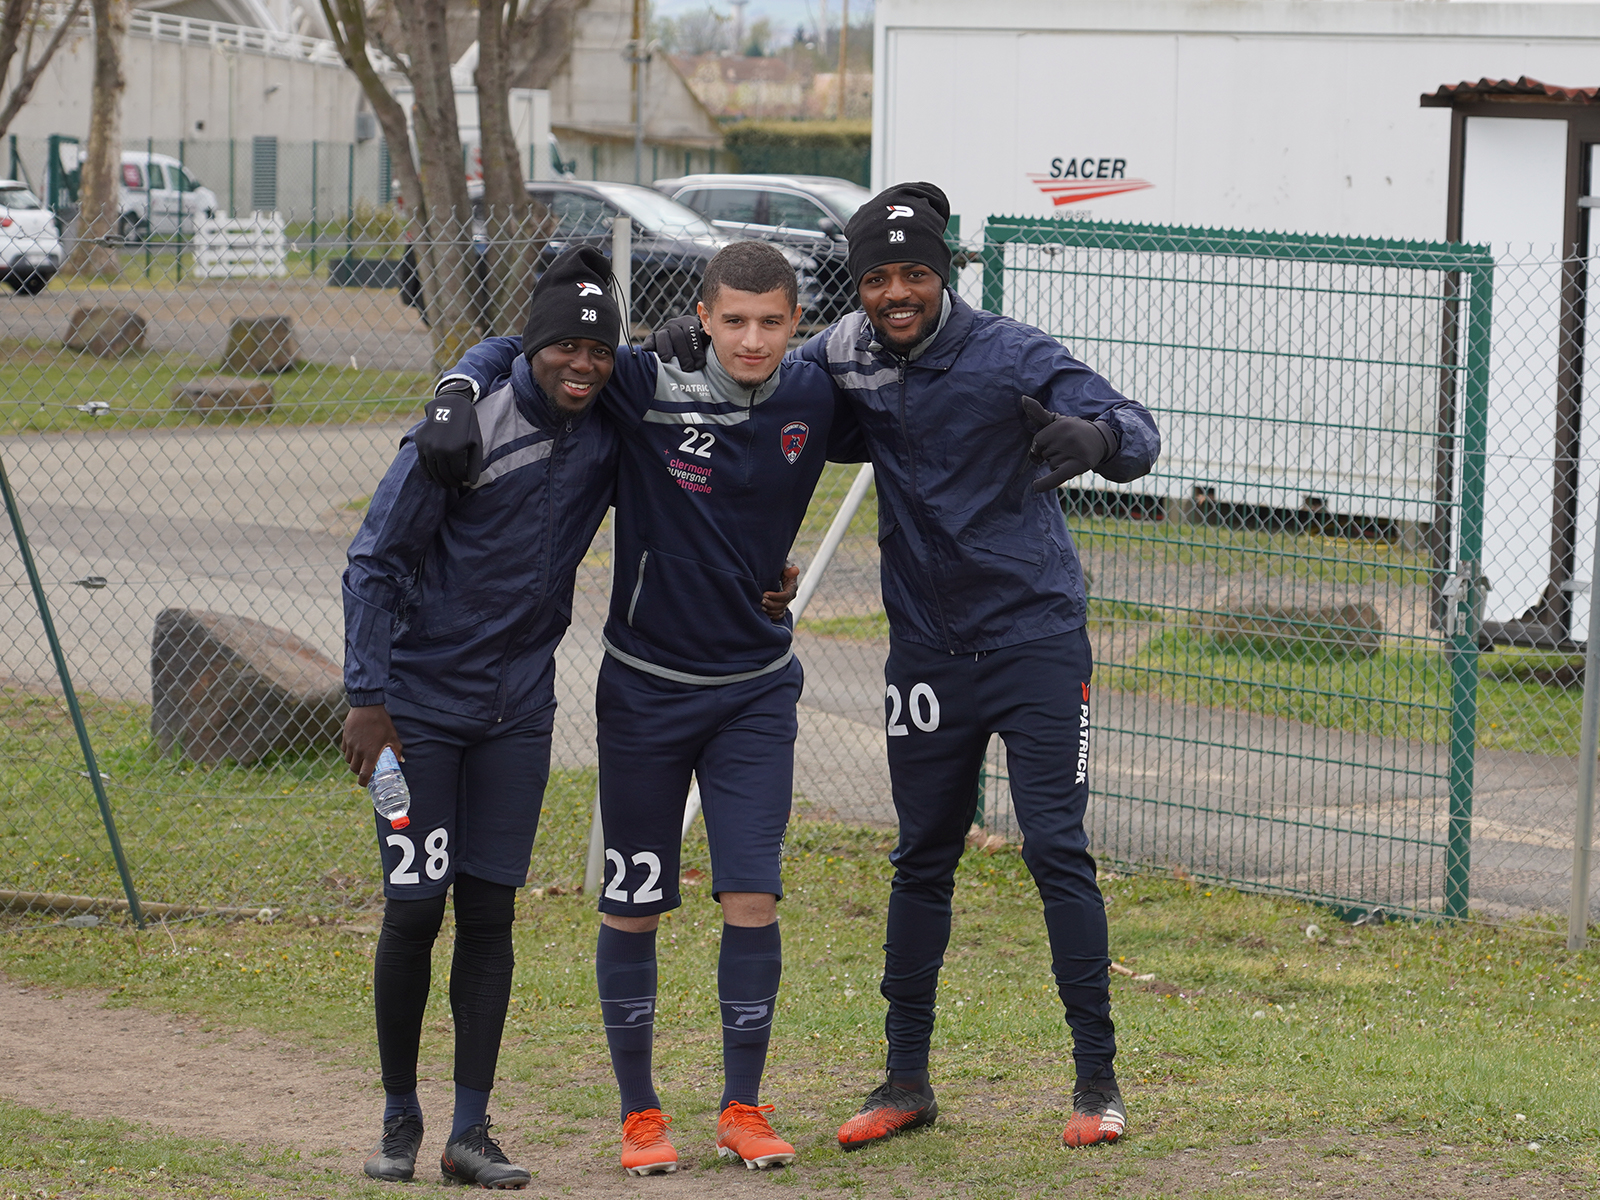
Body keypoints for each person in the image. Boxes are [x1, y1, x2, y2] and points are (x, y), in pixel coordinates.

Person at [650, 182, 1160, 1151]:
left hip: (1035, 641)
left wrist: (1095, 438)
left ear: (942, 276)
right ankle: (904, 1081)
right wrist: (685, 340)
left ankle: (1097, 1085)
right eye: (877, 276)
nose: (895, 293)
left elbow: (1132, 424)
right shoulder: (843, 352)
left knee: (1056, 848)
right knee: (921, 858)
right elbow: (753, 377)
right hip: (925, 651)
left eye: (913, 274)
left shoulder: (1011, 352)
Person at [423, 240, 860, 1176]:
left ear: (797, 324)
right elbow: (527, 343)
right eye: (733, 320)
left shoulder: (815, 393)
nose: (751, 339)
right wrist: (455, 391)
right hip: (644, 694)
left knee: (751, 895)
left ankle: (744, 1107)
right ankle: (641, 1116)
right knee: (632, 906)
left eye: (771, 322)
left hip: (753, 693)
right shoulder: (640, 380)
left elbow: (905, 388)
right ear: (702, 315)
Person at [341, 246, 622, 1188]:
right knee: (416, 906)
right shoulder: (461, 431)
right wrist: (366, 699)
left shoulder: (605, 425)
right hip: (415, 714)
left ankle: (469, 1131)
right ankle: (398, 1118)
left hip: (517, 713)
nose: (581, 363)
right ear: (532, 349)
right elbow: (373, 562)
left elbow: (680, 354)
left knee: (491, 913)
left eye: (598, 348)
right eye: (563, 347)